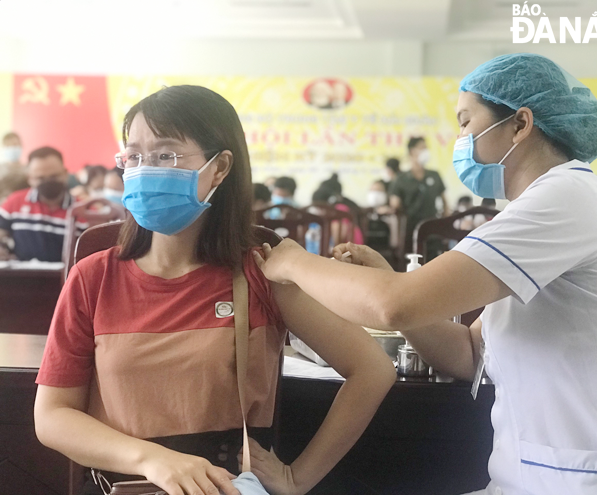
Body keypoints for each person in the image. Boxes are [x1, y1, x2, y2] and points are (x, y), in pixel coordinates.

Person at [254, 54, 597, 495]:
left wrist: (292, 261)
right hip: (535, 477)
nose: (460, 139)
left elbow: (393, 305)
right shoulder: (537, 210)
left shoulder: (567, 197)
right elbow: (468, 354)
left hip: (596, 482)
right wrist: (390, 278)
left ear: (520, 125)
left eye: (467, 123)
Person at [33, 85, 395, 495]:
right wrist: (152, 460)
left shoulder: (262, 273)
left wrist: (299, 477)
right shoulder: (93, 278)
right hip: (122, 486)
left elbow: (372, 369)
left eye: (165, 155)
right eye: (134, 156)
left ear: (220, 167)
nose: (145, 169)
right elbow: (52, 415)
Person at [0, 146, 87, 262]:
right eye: (40, 178)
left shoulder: (84, 210)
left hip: (67, 278)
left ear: (65, 174)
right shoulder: (15, 203)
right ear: (30, 178)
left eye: (54, 177)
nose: (48, 182)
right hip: (20, 277)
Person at [389, 136, 448, 252]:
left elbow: (445, 202)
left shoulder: (434, 175)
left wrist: (445, 226)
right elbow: (394, 203)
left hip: (432, 227)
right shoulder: (401, 178)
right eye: (422, 148)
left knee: (433, 260)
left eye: (426, 148)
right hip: (409, 229)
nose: (426, 151)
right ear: (412, 151)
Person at [0, 131, 29, 203]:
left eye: (15, 145)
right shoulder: (1, 169)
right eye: (8, 146)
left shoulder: (29, 169)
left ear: (21, 145)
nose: (12, 148)